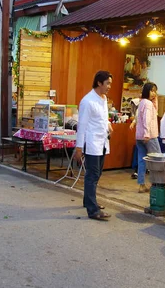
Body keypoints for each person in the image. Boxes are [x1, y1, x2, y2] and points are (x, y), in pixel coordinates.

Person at [73, 71, 114, 221]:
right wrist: (79, 148)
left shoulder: (103, 99)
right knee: (92, 174)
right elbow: (82, 125)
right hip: (91, 143)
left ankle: (89, 200)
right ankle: (93, 209)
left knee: (97, 174)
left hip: (102, 141)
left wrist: (108, 124)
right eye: (108, 83)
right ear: (99, 83)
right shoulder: (87, 101)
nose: (109, 86)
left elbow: (102, 118)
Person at [135, 82, 161, 193]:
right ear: (147, 91)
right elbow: (147, 119)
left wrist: (155, 99)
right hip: (149, 136)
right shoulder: (148, 104)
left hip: (139, 137)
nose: (154, 93)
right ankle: (157, 184)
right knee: (158, 160)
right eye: (152, 90)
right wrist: (147, 133)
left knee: (142, 161)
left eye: (155, 91)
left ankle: (142, 185)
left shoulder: (142, 102)